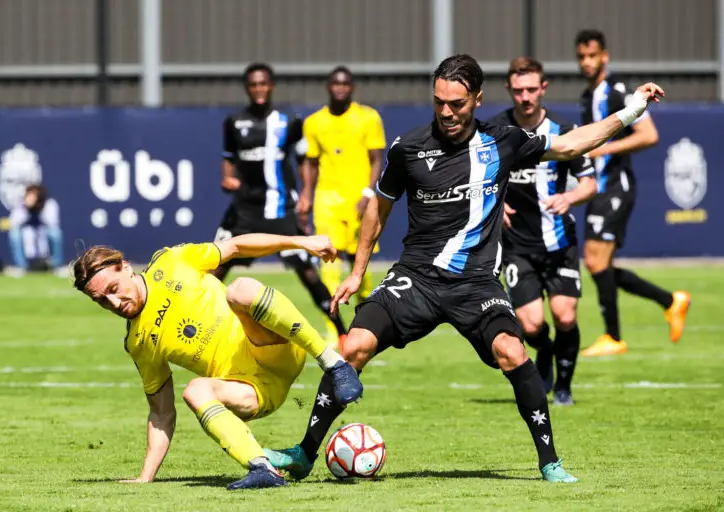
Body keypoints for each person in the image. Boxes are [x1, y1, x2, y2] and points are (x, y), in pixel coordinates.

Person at [265, 53, 666, 483]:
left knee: (512, 352)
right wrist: (358, 272)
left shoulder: (504, 140)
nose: (447, 112)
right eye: (439, 102)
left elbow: (572, 145)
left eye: (456, 103)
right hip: (415, 278)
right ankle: (305, 453)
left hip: (475, 283)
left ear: (476, 98)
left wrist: (631, 111)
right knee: (353, 348)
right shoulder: (409, 148)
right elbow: (378, 208)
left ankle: (550, 462)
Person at [70, 233, 363, 490]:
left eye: (112, 289)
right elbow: (161, 414)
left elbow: (235, 246)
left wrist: (301, 242)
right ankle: (262, 467)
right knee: (195, 390)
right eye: (101, 301)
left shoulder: (172, 261)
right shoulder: (138, 343)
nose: (113, 303)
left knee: (240, 290)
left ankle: (334, 364)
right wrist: (145, 477)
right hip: (254, 391)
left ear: (125, 266)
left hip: (274, 347)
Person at [574, 29, 691, 356]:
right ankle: (671, 301)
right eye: (582, 56)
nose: (586, 62)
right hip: (600, 187)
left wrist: (604, 148)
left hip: (615, 186)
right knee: (600, 265)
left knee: (595, 262)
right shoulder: (588, 96)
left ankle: (613, 337)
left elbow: (648, 134)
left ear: (604, 57)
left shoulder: (618, 90)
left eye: (592, 55)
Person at [489, 57, 596, 406]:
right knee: (531, 327)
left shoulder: (565, 132)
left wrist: (570, 196)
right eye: (518, 90)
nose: (525, 97)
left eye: (531, 90)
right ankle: (546, 351)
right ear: (509, 90)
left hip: (559, 241)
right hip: (517, 245)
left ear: (543, 89)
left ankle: (564, 385)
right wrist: (495, 201)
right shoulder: (494, 131)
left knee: (566, 315)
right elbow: (479, 178)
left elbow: (590, 184)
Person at [215, 62, 348, 342]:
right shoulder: (234, 122)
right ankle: (194, 323)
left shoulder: (288, 122)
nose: (259, 89)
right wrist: (227, 180)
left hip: (280, 208)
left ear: (271, 86)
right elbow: (228, 162)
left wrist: (307, 195)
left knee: (307, 272)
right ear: (247, 88)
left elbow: (304, 162)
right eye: (253, 84)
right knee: (217, 266)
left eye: (263, 83)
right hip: (245, 210)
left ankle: (342, 332)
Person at [298, 66, 387, 342]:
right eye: (335, 84)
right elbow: (311, 162)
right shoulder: (314, 122)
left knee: (360, 264)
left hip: (359, 201)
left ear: (352, 87)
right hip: (327, 201)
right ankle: (334, 330)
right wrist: (307, 195)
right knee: (329, 263)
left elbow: (377, 158)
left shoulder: (367, 117)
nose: (340, 88)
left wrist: (367, 193)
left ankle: (368, 314)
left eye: (345, 83)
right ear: (328, 87)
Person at [7, 184, 65, 276]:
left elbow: (53, 222)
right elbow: (13, 223)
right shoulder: (21, 205)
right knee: (14, 234)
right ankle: (21, 267)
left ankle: (56, 266)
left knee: (55, 233)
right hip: (27, 236)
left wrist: (39, 208)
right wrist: (27, 210)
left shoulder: (49, 204)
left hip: (43, 235)